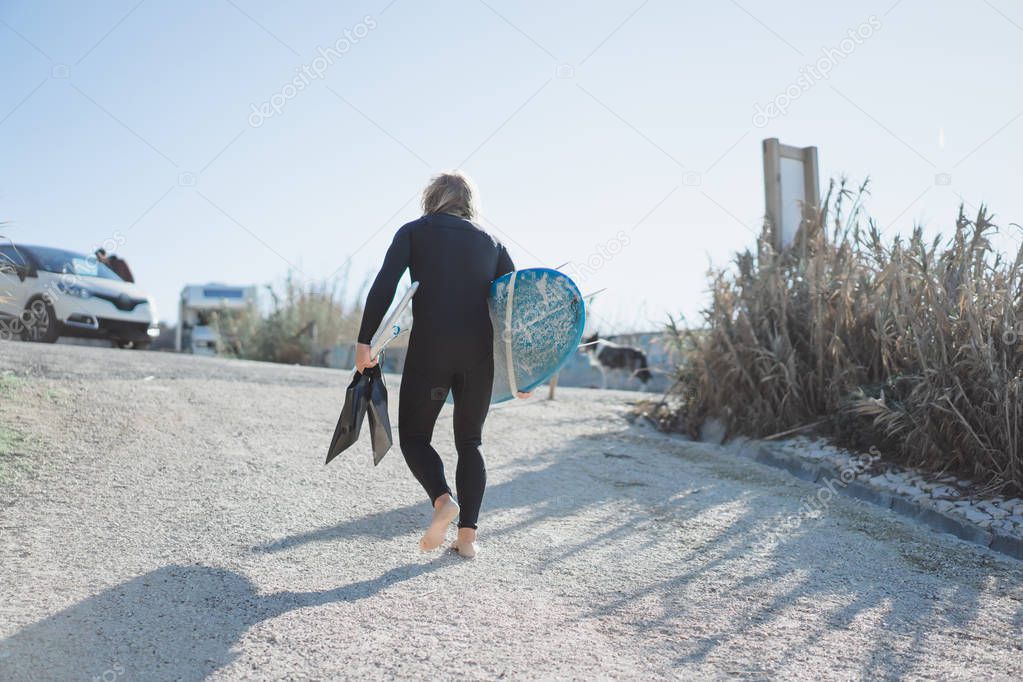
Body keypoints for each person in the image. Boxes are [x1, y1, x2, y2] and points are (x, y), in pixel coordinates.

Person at [355, 171, 530, 559]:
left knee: (415, 438)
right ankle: (467, 538)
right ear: (470, 203)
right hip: (477, 354)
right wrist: (525, 369)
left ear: (431, 198)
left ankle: (441, 500)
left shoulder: (415, 232)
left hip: (431, 347)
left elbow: (385, 284)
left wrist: (365, 341)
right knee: (470, 442)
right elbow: (515, 309)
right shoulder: (493, 243)